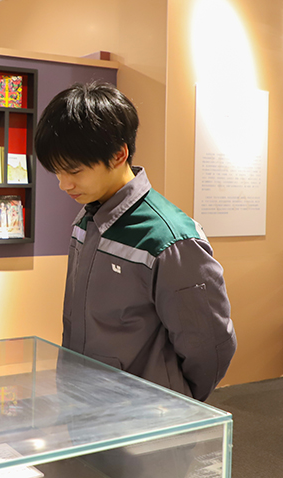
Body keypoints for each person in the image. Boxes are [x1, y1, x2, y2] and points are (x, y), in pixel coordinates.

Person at [34, 81, 236, 402]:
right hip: (86, 405)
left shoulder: (170, 240)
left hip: (148, 417)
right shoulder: (87, 219)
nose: (64, 184)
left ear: (118, 155)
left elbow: (209, 348)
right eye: (57, 172)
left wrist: (176, 403)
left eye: (74, 171)